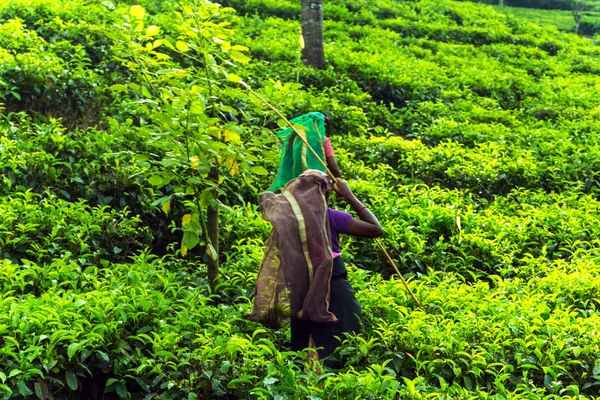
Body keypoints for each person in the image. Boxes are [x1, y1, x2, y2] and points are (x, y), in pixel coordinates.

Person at [289, 169, 382, 368]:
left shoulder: (289, 218)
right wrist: (349, 196)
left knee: (300, 353)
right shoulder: (329, 216)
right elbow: (375, 229)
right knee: (344, 348)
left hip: (300, 290)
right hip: (333, 287)